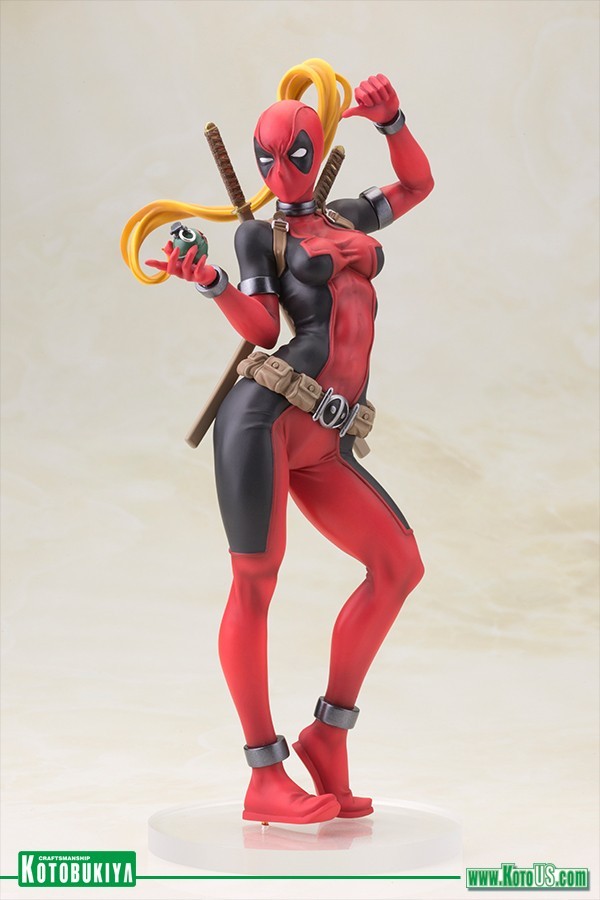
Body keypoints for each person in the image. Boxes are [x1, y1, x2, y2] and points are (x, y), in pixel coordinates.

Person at [122, 59, 434, 825]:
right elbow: (263, 329)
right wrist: (212, 282)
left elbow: (417, 184)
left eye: (295, 153)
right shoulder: (261, 237)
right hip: (262, 419)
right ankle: (264, 773)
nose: (281, 171)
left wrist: (393, 122)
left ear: (318, 144)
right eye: (266, 158)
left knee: (398, 566)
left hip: (324, 437)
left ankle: (329, 736)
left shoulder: (350, 217)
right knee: (256, 583)